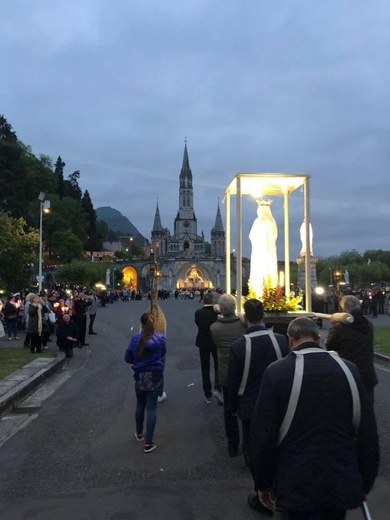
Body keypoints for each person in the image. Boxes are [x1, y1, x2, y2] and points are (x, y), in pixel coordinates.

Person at [250, 317, 379, 519]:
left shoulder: (276, 372)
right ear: (319, 339)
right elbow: (366, 430)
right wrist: (365, 479)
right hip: (338, 481)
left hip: (295, 483)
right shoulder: (349, 370)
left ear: (289, 339)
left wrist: (263, 482)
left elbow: (263, 435)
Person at [228, 298, 288, 487]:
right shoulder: (280, 340)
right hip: (277, 400)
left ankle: (255, 471)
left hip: (250, 401)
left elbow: (233, 381)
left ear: (244, 318)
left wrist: (233, 406)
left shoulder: (238, 346)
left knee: (250, 437)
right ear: (264, 316)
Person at [210, 293, 247, 457]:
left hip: (226, 374)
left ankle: (233, 445)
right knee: (248, 408)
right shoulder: (243, 326)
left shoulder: (215, 328)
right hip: (245, 373)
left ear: (220, 309)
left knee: (229, 410)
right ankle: (249, 445)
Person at [326, 295, 378, 409]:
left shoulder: (339, 328)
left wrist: (334, 326)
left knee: (347, 411)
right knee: (366, 410)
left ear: (343, 310)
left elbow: (330, 347)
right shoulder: (368, 325)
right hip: (366, 373)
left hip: (347, 373)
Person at [124, 312, 166, 453]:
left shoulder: (135, 339)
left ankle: (139, 433)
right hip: (154, 374)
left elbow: (128, 357)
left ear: (141, 324)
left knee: (140, 404)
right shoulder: (160, 338)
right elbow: (163, 353)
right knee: (151, 407)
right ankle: (148, 442)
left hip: (140, 375)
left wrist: (138, 360)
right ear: (153, 324)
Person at [194, 292, 222, 404]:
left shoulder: (198, 313)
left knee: (205, 368)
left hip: (203, 342)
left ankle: (207, 394)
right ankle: (217, 389)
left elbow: (198, 324)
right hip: (215, 341)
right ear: (213, 301)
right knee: (218, 366)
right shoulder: (216, 313)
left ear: (203, 301)